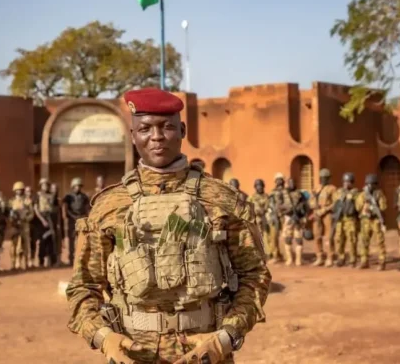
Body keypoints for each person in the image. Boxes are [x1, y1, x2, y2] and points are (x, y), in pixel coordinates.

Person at [66, 87, 271, 364]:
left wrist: (226, 336)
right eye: (145, 129)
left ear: (183, 130)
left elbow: (254, 275)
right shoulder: (110, 205)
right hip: (134, 353)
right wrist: (104, 338)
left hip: (205, 353)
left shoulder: (221, 200)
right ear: (132, 136)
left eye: (167, 127)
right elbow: (84, 286)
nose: (157, 137)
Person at [355, 174, 387, 270]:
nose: (370, 186)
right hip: (365, 220)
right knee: (364, 240)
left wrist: (374, 209)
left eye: (373, 184)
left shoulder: (379, 194)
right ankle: (364, 261)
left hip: (376, 220)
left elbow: (383, 207)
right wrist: (365, 204)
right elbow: (357, 207)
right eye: (369, 184)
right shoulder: (362, 195)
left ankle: (382, 261)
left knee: (380, 241)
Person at [308, 168, 337, 267]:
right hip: (317, 213)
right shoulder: (317, 188)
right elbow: (310, 200)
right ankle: (319, 257)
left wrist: (324, 209)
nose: (323, 180)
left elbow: (335, 203)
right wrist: (313, 205)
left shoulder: (332, 188)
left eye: (325, 178)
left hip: (327, 214)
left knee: (328, 237)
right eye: (322, 178)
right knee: (317, 236)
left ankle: (330, 257)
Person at [332, 173, 359, 267]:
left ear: (352, 183)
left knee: (352, 239)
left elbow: (357, 206)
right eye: (344, 182)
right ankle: (341, 258)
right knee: (339, 239)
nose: (346, 184)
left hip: (350, 219)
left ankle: (353, 259)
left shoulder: (355, 193)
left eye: (348, 182)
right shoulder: (339, 192)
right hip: (340, 219)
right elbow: (335, 203)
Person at [280, 178, 310, 266]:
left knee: (299, 239)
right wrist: (286, 210)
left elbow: (306, 206)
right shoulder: (283, 194)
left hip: (298, 219)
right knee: (288, 239)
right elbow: (279, 205)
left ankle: (298, 260)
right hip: (288, 218)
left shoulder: (300, 194)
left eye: (293, 182)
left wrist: (303, 215)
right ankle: (289, 259)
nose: (291, 184)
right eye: (290, 183)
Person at [62, 177, 90, 266]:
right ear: (73, 186)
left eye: (79, 186)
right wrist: (71, 216)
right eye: (76, 186)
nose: (78, 187)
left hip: (82, 219)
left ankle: (81, 259)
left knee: (82, 239)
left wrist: (86, 217)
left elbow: (87, 209)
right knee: (71, 240)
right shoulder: (68, 197)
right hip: (72, 220)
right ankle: (71, 259)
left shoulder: (84, 196)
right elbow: (65, 209)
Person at [7, 181, 34, 270]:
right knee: (14, 245)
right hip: (15, 225)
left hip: (25, 225)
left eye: (21, 190)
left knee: (26, 244)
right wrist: (12, 220)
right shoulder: (11, 202)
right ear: (15, 191)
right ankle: (14, 263)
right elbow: (8, 214)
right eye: (17, 190)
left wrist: (26, 219)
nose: (19, 191)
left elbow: (31, 213)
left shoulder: (27, 201)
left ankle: (28, 262)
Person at [34, 178, 57, 267]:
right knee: (42, 240)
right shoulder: (38, 195)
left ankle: (51, 261)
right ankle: (41, 261)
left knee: (50, 240)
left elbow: (55, 207)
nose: (45, 186)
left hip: (50, 218)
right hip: (41, 219)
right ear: (41, 186)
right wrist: (42, 220)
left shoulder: (51, 195)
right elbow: (36, 209)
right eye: (43, 185)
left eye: (47, 185)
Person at [267, 173, 287, 264]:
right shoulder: (272, 192)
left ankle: (287, 256)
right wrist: (272, 214)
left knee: (285, 236)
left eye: (281, 179)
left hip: (285, 216)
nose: (279, 181)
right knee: (273, 236)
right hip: (274, 216)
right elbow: (270, 204)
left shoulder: (287, 191)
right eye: (278, 179)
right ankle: (276, 255)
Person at [250, 179, 271, 258]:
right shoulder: (252, 197)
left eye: (261, 185)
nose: (260, 187)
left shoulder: (267, 196)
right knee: (258, 237)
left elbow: (269, 205)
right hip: (257, 220)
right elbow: (249, 208)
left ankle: (269, 253)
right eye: (258, 186)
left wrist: (265, 210)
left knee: (268, 236)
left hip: (266, 219)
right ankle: (260, 253)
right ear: (255, 187)